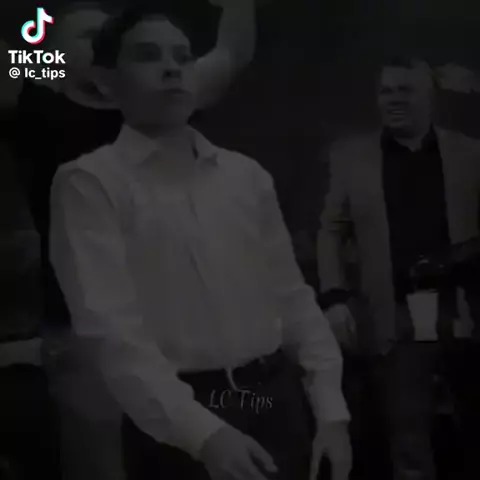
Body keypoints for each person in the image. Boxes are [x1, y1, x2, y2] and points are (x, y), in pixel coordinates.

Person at [49, 4, 352, 480]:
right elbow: (112, 331)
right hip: (179, 412)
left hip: (276, 397)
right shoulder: (89, 182)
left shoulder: (246, 176)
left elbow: (291, 297)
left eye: (183, 56)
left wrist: (331, 409)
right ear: (106, 82)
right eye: (148, 55)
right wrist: (204, 434)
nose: (172, 68)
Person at [12, 1, 258, 479]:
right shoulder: (39, 102)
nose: (104, 40)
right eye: (87, 36)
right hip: (86, 336)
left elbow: (230, 53)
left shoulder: (163, 95)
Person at [317, 57, 480, 480]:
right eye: (385, 91)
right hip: (394, 315)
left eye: (405, 90)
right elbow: (331, 231)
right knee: (408, 440)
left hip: (465, 310)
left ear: (430, 97)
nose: (393, 100)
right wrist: (334, 297)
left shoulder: (470, 153)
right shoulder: (350, 156)